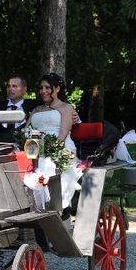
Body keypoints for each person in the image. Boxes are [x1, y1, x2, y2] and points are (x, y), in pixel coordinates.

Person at [28, 72, 82, 209]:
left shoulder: (66, 108)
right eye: (41, 88)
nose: (43, 91)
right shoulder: (36, 110)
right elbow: (26, 131)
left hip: (60, 148)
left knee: (48, 164)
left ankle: (52, 205)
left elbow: (63, 134)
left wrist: (51, 151)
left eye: (47, 88)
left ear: (57, 89)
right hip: (36, 148)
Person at [0, 75, 37, 143]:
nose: (10, 89)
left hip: (22, 148)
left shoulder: (32, 106)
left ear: (24, 90)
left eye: (14, 86)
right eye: (8, 86)